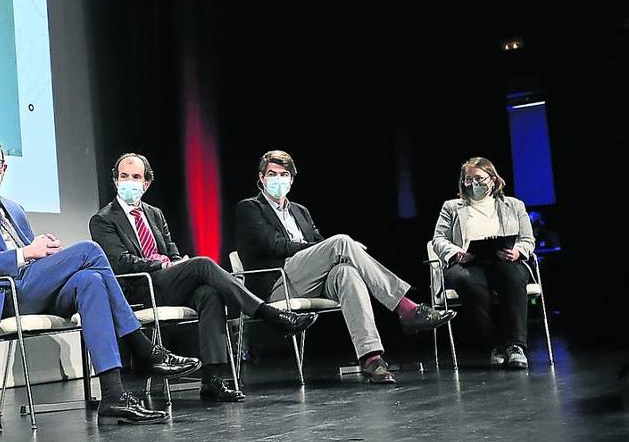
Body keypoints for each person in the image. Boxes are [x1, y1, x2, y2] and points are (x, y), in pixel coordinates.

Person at [0, 135, 200, 426]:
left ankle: (113, 395)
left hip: (28, 289)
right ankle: (141, 346)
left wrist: (46, 253)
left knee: (90, 281)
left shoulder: (14, 210)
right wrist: (27, 252)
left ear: (5, 169)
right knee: (89, 250)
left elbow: (33, 260)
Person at [89, 152, 317, 402]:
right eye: (124, 176)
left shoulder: (154, 214)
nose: (129, 182)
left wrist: (175, 261)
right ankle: (266, 313)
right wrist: (163, 263)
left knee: (210, 293)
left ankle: (212, 379)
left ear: (146, 183)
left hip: (168, 283)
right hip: (140, 289)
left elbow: (171, 250)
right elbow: (120, 264)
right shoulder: (103, 219)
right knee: (203, 265)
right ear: (115, 180)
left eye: (135, 177)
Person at [234, 150, 456, 384]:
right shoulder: (249, 208)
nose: (277, 179)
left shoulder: (300, 211)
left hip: (310, 279)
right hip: (277, 283)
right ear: (261, 178)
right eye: (272, 174)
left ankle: (372, 358)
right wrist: (336, 247)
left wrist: (341, 250)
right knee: (341, 241)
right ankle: (406, 308)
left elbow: (318, 242)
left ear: (291, 179)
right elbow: (273, 245)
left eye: (284, 174)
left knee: (347, 272)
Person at [431, 156, 536, 369]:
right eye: (468, 179)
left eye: (479, 178)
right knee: (470, 284)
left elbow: (528, 240)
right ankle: (495, 345)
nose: (473, 184)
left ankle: (516, 346)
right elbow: (438, 239)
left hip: (504, 261)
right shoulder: (452, 207)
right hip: (466, 262)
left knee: (513, 276)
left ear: (493, 179)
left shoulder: (514, 205)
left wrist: (517, 251)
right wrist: (456, 252)